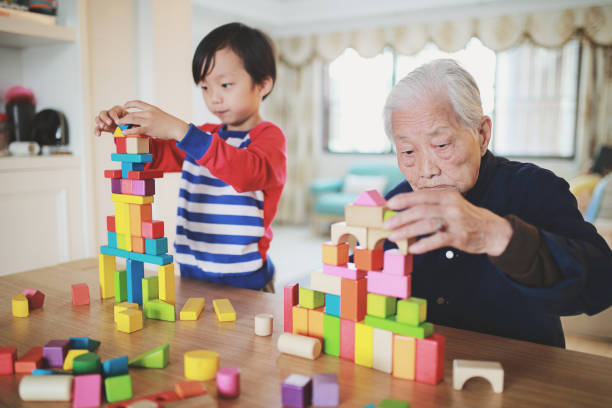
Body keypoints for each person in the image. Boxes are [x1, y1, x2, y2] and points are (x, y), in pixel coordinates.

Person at [380, 59, 612, 347]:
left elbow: (602, 284)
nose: (426, 170)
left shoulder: (535, 188)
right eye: (407, 151)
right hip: (420, 370)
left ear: (482, 135)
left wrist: (499, 236)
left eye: (441, 145)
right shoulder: (394, 205)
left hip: (523, 373)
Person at [94, 22, 286, 292]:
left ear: (263, 84)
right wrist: (125, 128)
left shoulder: (269, 137)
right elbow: (154, 156)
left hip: (245, 275)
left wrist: (182, 131)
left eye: (225, 84)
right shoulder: (203, 136)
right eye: (205, 88)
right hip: (192, 268)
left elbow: (246, 173)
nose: (214, 98)